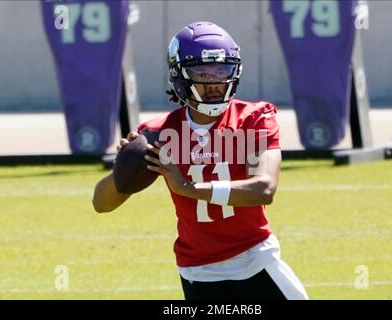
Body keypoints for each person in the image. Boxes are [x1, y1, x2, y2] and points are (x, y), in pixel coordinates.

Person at [92, 21, 308, 300]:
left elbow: (264, 189)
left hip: (255, 259)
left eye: (222, 70)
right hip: (198, 271)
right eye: (203, 73)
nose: (216, 82)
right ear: (180, 77)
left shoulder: (254, 118)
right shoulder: (159, 134)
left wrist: (189, 188)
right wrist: (123, 167)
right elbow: (101, 204)